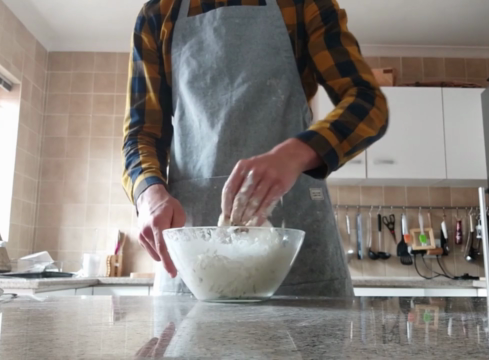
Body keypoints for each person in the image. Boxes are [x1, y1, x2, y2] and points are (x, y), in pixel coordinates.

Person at [122, 0, 389, 297]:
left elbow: (368, 104)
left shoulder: (305, 5)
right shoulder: (158, 15)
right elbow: (141, 132)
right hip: (192, 263)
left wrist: (293, 155)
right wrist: (149, 194)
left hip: (297, 260)